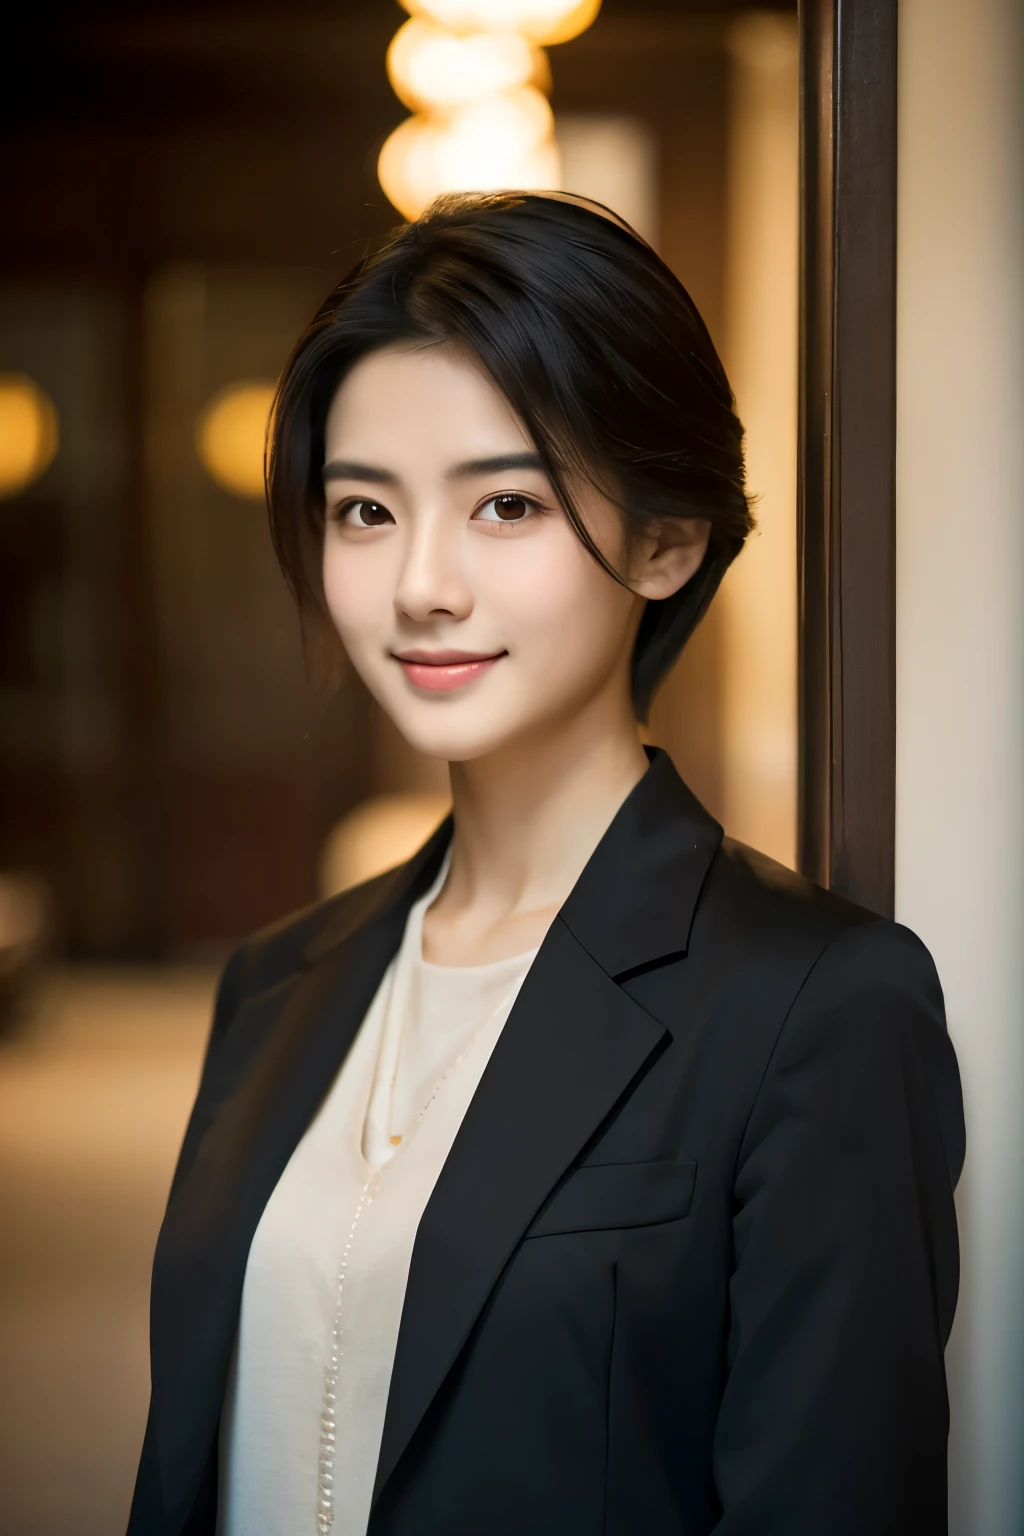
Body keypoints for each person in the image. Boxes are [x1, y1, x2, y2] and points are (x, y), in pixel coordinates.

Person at [128, 192, 964, 1536]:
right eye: (363, 512)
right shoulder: (277, 984)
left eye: (504, 503)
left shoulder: (815, 1009)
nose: (420, 585)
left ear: (666, 537)